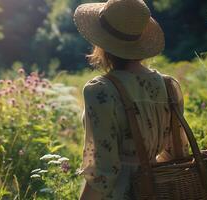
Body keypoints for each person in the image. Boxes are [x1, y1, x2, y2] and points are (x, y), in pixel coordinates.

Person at [73, 0, 190, 199]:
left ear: (101, 43)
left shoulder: (100, 91)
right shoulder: (169, 86)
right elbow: (178, 152)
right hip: (161, 191)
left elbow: (103, 174)